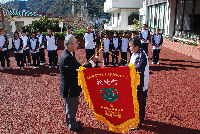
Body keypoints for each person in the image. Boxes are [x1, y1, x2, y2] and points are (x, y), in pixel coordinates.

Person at [59, 35, 98, 132]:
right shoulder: (67, 57)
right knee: (71, 107)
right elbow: (81, 69)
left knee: (71, 106)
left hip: (71, 86)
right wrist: (93, 61)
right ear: (69, 45)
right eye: (76, 43)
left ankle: (71, 121)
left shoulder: (69, 54)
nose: (78, 44)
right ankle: (72, 125)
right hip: (69, 88)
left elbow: (77, 67)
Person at [128, 37, 149, 129]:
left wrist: (125, 70)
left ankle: (139, 122)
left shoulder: (141, 55)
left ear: (137, 46)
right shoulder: (134, 54)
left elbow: (137, 67)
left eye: (131, 46)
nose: (130, 48)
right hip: (134, 83)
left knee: (139, 103)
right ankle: (137, 117)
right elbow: (128, 65)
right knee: (134, 102)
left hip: (140, 84)